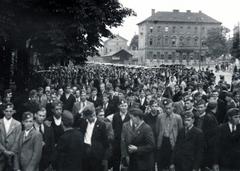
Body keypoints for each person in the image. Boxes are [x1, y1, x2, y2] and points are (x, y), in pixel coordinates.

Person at [156, 98, 183, 171]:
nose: (167, 110)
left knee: (171, 164)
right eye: (166, 108)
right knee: (161, 163)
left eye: (169, 108)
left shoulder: (178, 118)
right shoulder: (160, 117)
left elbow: (180, 131)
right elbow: (157, 130)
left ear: (173, 108)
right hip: (162, 142)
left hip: (172, 142)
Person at [81, 106, 109, 171]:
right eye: (90, 116)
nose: (93, 118)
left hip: (97, 154)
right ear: (86, 117)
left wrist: (104, 157)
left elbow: (105, 142)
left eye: (94, 115)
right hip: (85, 152)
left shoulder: (101, 125)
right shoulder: (84, 123)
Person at [0, 103, 22, 171]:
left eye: (10, 111)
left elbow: (18, 139)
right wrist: (4, 151)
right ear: (3, 111)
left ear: (13, 111)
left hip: (13, 155)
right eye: (6, 111)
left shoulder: (18, 124)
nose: (8, 113)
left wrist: (11, 151)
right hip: (1, 153)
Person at [112, 99, 130, 171]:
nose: (124, 107)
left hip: (127, 141)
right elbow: (114, 127)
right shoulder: (115, 116)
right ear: (119, 106)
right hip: (117, 141)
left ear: (127, 106)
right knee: (116, 159)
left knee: (127, 160)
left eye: (125, 106)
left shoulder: (130, 116)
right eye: (122, 106)